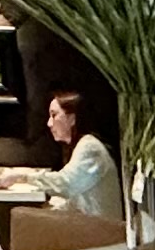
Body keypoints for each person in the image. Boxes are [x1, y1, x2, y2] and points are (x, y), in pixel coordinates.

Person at [41, 87, 119, 222]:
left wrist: (22, 178)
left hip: (101, 232)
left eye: (54, 115)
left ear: (72, 119)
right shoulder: (81, 146)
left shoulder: (90, 147)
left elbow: (66, 184)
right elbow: (74, 201)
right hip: (89, 227)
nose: (49, 123)